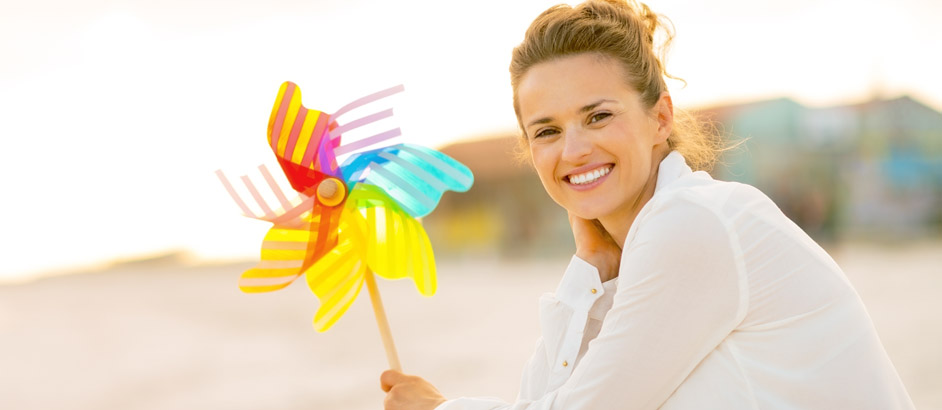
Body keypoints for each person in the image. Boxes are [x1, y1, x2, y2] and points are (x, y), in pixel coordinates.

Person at [380, 0, 915, 408]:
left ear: (660, 118)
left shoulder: (692, 224)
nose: (573, 150)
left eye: (598, 116)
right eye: (546, 130)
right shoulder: (637, 249)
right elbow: (546, 397)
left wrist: (441, 407)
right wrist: (590, 272)